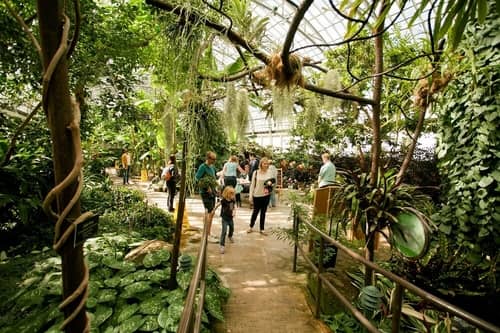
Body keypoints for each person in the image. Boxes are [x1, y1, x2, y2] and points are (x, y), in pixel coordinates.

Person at [247, 157, 275, 235]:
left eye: (267, 164)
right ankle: (251, 226)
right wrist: (250, 196)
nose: (266, 165)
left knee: (263, 212)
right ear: (261, 164)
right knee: (255, 212)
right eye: (264, 163)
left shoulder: (269, 173)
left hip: (266, 195)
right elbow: (252, 185)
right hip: (257, 195)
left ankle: (262, 229)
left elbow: (272, 183)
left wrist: (271, 184)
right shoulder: (256, 172)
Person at [195, 151, 218, 241]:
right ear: (208, 158)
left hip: (212, 192)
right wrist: (206, 187)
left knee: (211, 212)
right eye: (213, 159)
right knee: (209, 212)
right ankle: (206, 235)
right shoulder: (202, 167)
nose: (214, 161)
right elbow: (197, 178)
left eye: (215, 159)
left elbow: (213, 179)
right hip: (205, 193)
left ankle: (208, 232)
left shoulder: (212, 167)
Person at [219, 186, 236, 254]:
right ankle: (222, 245)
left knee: (232, 228)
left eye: (233, 194)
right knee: (224, 231)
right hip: (224, 218)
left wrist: (234, 212)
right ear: (227, 194)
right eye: (231, 194)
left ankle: (230, 236)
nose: (233, 195)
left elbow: (232, 208)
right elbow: (219, 204)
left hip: (230, 218)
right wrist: (214, 209)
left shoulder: (232, 201)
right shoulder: (223, 201)